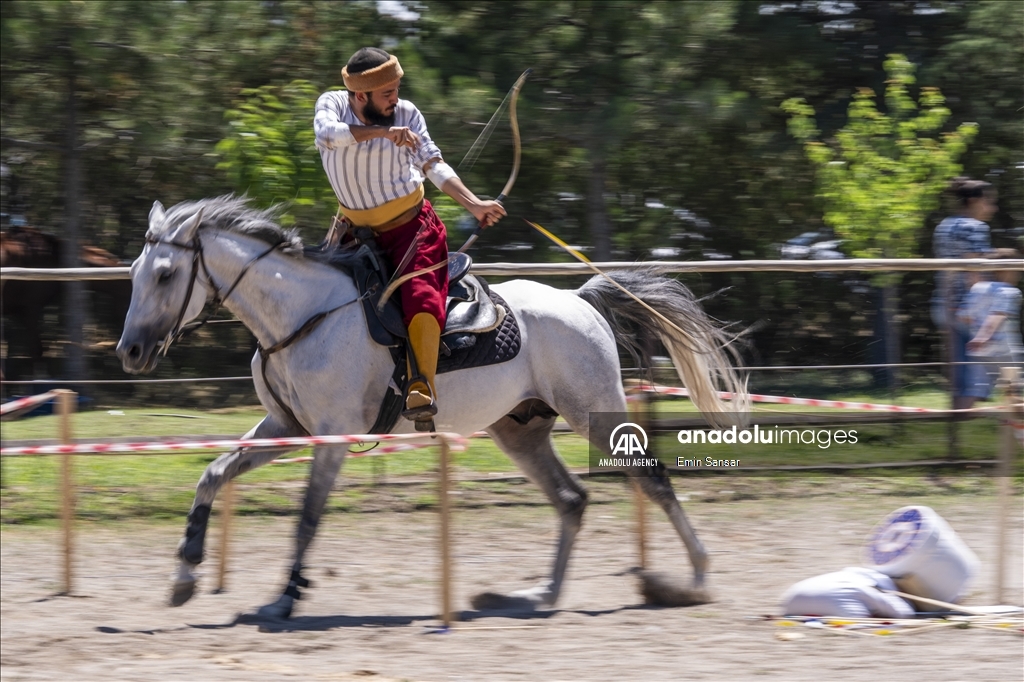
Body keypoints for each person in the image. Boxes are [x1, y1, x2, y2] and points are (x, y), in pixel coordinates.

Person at [313, 47, 506, 423]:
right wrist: (383, 133)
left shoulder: (408, 114)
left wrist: (474, 204)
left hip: (412, 230)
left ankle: (422, 386)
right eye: (387, 93)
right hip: (352, 231)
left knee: (420, 296)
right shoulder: (332, 104)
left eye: (397, 89)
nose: (395, 99)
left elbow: (432, 163)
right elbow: (329, 135)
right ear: (359, 95)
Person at [931, 177, 997, 409]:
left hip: (943, 305)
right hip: (967, 309)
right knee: (977, 374)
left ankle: (956, 427)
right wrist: (979, 311)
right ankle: (967, 419)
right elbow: (974, 272)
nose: (993, 207)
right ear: (974, 201)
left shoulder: (945, 225)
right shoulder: (975, 227)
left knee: (959, 373)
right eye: (989, 202)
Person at [958, 249, 1023, 405]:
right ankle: (1016, 427)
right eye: (1018, 271)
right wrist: (983, 336)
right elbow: (998, 314)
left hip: (979, 351)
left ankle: (956, 420)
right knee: (1014, 389)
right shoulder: (1010, 291)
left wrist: (977, 335)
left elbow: (963, 316)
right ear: (1007, 271)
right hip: (1004, 350)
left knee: (975, 391)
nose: (1019, 275)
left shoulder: (978, 288)